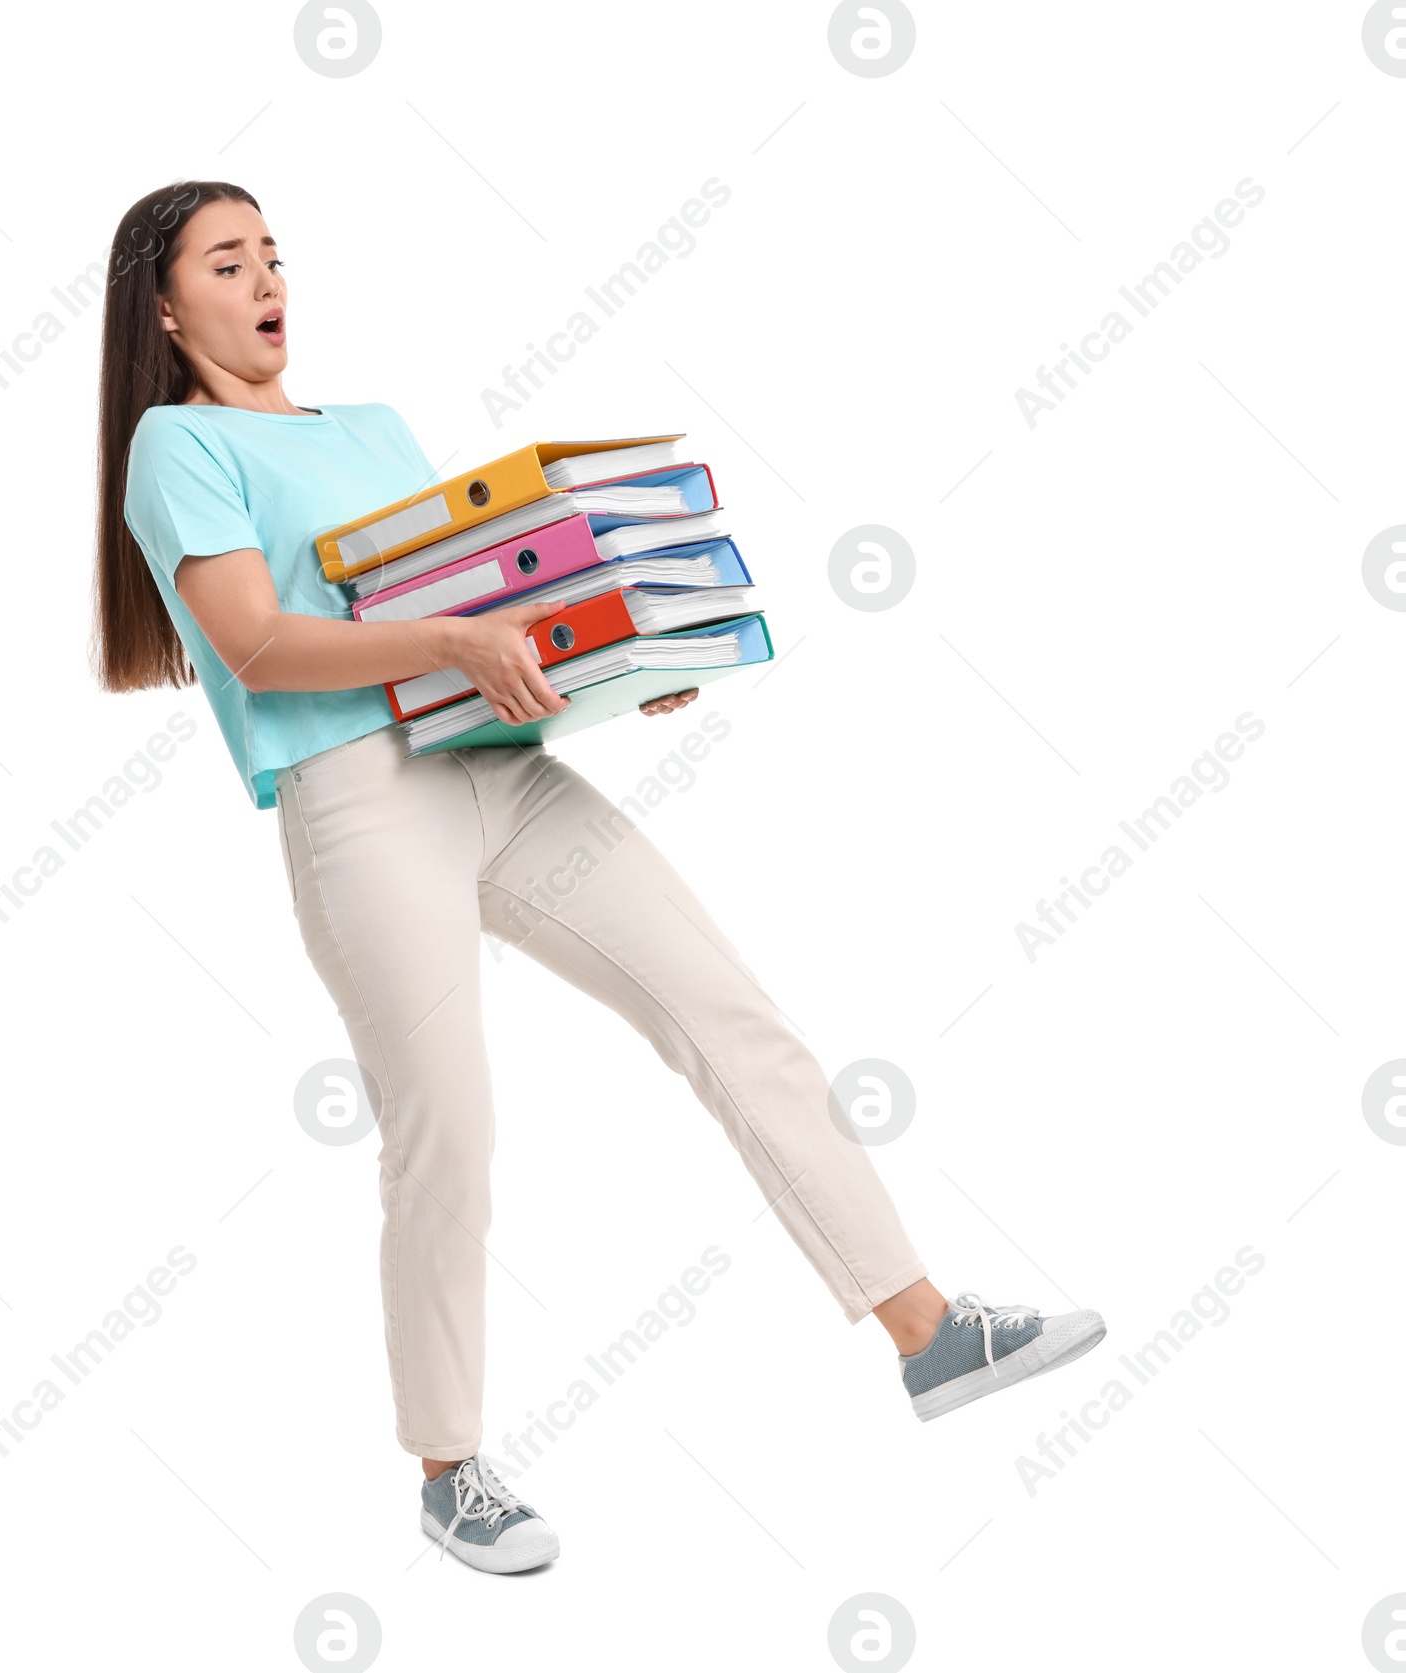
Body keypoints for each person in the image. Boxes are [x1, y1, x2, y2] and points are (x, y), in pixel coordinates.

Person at [95, 179, 1106, 1575]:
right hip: (359, 801)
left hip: (491, 766)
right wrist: (456, 645)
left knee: (726, 1012)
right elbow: (263, 645)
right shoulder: (176, 443)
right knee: (446, 1122)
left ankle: (930, 1335)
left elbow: (444, 598)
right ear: (164, 303)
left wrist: (616, 663)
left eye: (274, 254)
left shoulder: (371, 428)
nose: (268, 279)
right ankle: (452, 1467)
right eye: (229, 260)